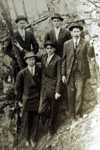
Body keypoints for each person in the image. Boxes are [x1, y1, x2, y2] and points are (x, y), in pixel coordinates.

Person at [62, 23, 95, 119]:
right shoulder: (66, 44)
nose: (76, 33)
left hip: (80, 72)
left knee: (79, 92)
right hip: (69, 72)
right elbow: (64, 60)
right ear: (71, 33)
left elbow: (90, 55)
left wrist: (91, 45)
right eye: (74, 31)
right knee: (70, 94)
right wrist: (63, 74)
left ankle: (78, 113)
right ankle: (72, 115)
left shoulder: (85, 42)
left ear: (80, 32)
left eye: (78, 31)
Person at [15, 52, 41, 147]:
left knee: (36, 119)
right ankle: (26, 138)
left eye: (33, 59)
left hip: (37, 98)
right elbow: (18, 88)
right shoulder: (22, 73)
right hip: (27, 100)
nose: (31, 61)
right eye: (29, 59)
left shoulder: (39, 69)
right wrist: (19, 101)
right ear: (26, 61)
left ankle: (33, 139)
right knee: (26, 120)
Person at [38, 41, 61, 138]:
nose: (49, 50)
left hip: (54, 87)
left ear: (54, 49)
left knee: (53, 109)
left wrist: (57, 91)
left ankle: (51, 130)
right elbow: (43, 72)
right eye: (47, 48)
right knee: (41, 110)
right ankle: (50, 122)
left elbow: (59, 76)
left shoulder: (58, 59)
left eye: (51, 48)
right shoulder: (43, 58)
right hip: (45, 87)